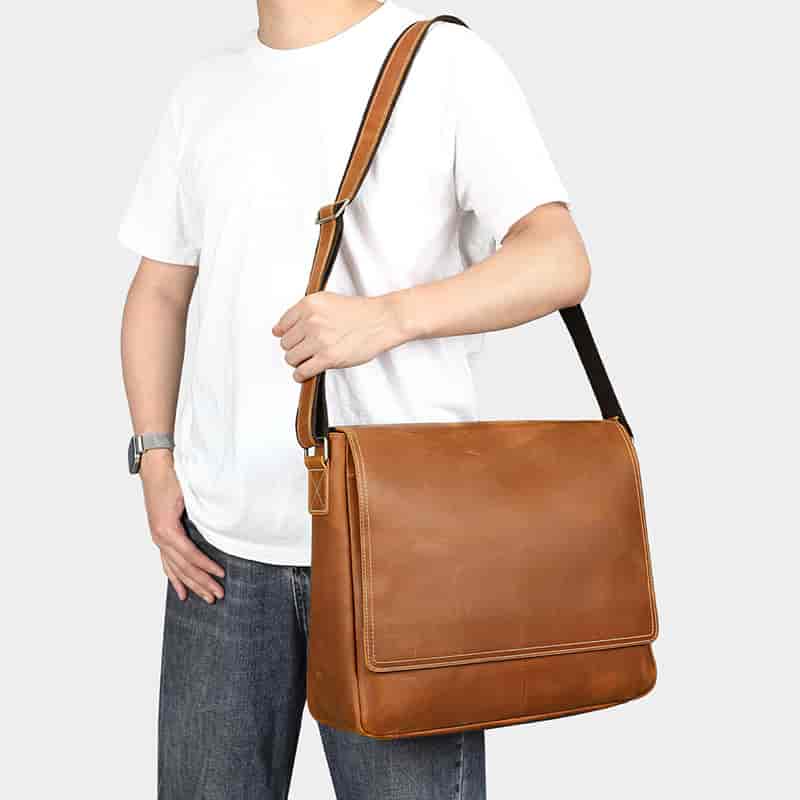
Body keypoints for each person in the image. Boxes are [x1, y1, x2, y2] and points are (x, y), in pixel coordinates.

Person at [120, 1, 590, 797]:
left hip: (399, 555)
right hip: (217, 556)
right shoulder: (205, 89)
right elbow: (159, 288)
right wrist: (154, 457)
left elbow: (559, 258)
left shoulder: (443, 63)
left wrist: (388, 318)